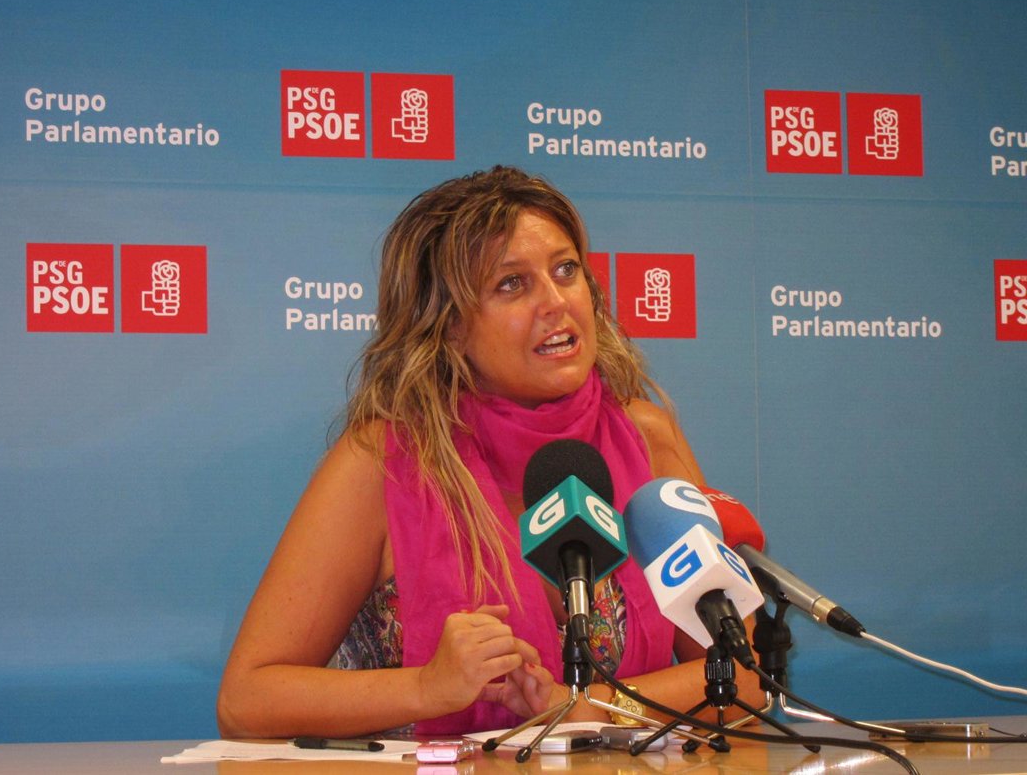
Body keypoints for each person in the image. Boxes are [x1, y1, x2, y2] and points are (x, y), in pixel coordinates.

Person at [217, 165, 763, 738]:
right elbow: (247, 699)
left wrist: (580, 708)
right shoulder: (381, 463)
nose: (556, 302)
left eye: (566, 270)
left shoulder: (647, 440)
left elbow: (742, 677)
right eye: (512, 284)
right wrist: (427, 688)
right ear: (449, 326)